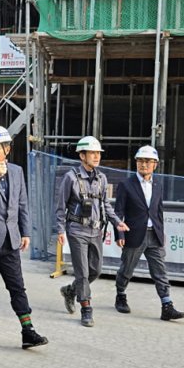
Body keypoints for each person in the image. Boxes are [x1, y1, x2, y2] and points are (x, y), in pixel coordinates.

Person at [0, 126, 48, 349]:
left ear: (7, 149)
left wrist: (25, 232)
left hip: (10, 241)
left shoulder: (16, 171)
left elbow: (22, 203)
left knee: (17, 287)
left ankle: (28, 330)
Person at [55, 136, 128, 327]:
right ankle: (86, 309)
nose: (96, 157)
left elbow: (105, 204)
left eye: (98, 153)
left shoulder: (101, 178)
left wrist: (117, 222)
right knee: (83, 272)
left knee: (95, 270)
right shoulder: (70, 177)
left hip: (95, 230)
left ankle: (70, 291)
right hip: (76, 230)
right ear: (82, 155)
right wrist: (60, 230)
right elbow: (60, 206)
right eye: (92, 153)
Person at [113, 145, 184, 321]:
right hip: (134, 234)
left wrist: (162, 232)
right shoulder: (126, 185)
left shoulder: (158, 185)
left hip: (154, 235)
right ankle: (120, 294)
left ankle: (167, 305)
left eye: (148, 161)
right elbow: (118, 212)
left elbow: (158, 210)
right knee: (127, 269)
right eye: (140, 161)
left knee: (160, 271)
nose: (143, 164)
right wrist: (120, 235)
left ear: (155, 165)